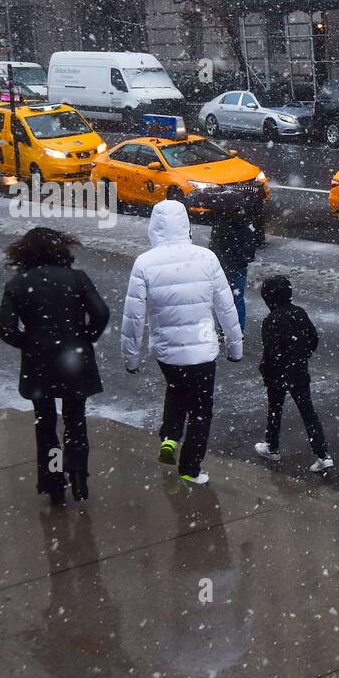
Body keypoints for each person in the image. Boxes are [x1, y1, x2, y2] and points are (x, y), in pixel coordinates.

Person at [121, 197, 242, 486]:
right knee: (202, 409)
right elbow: (226, 307)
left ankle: (171, 437)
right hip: (203, 351)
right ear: (186, 225)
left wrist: (131, 358)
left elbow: (134, 317)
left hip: (167, 352)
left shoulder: (144, 263)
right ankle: (190, 466)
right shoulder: (207, 258)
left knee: (176, 390)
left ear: (154, 228)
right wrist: (235, 348)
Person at [0, 227, 110, 507]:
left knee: (45, 425)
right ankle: (79, 474)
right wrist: (86, 336)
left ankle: (54, 480)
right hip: (75, 360)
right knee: (75, 420)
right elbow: (101, 313)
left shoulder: (19, 283)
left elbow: (4, 327)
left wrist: (29, 343)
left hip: (39, 364)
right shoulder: (77, 278)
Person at [253, 274, 333, 472]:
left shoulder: (271, 320)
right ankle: (323, 454)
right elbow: (313, 339)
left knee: (274, 410)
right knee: (308, 412)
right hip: (298, 370)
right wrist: (302, 354)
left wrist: (266, 369)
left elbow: (270, 351)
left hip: (278, 374)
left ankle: (272, 446)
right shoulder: (300, 313)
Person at [207, 189, 265, 332]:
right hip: (238, 266)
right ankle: (237, 330)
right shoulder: (244, 221)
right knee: (237, 299)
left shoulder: (223, 223)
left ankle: (225, 329)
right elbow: (250, 245)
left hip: (224, 266)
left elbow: (217, 246)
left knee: (223, 300)